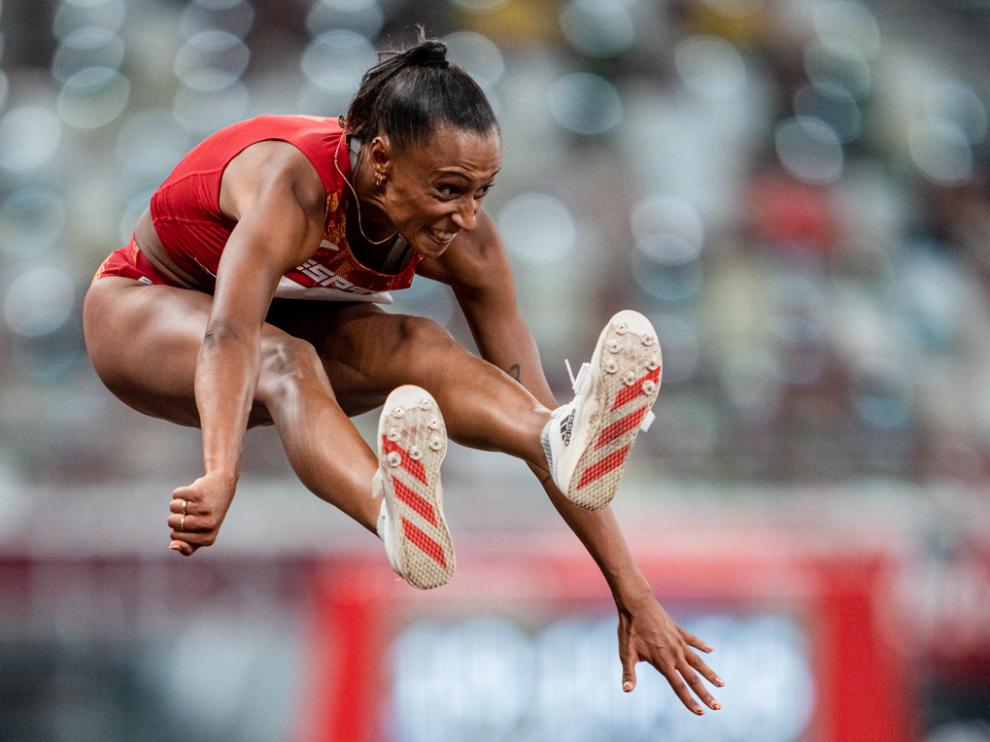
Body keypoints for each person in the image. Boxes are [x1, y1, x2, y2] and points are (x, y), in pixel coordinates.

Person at [82, 33, 724, 714]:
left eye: (483, 191)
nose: (467, 217)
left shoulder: (466, 240)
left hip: (273, 324)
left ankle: (545, 436)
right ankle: (388, 510)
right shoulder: (293, 188)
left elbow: (554, 448)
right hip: (143, 312)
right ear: (381, 160)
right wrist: (221, 469)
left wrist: (633, 592)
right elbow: (229, 333)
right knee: (286, 359)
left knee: (426, 343)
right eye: (449, 190)